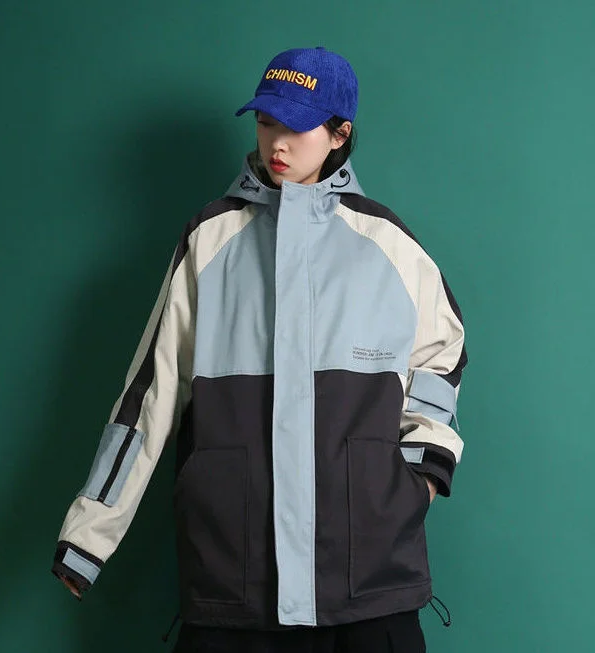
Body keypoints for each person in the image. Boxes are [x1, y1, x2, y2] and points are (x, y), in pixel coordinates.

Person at [52, 46, 467, 652]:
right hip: (234, 574)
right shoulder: (210, 238)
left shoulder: (388, 243)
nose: (278, 143)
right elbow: (150, 394)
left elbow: (442, 355)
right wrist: (89, 536)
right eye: (267, 122)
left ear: (339, 134)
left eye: (296, 127)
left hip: (370, 577)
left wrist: (419, 473)